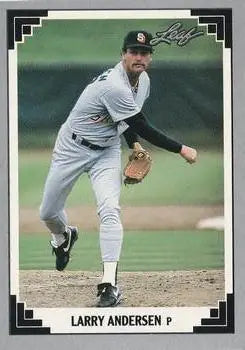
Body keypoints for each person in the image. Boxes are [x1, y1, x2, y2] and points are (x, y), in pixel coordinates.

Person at [40, 30, 197, 308]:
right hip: (71, 148)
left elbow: (125, 121)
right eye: (133, 52)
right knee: (48, 212)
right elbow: (141, 124)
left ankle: (109, 284)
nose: (139, 57)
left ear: (150, 57)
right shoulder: (113, 84)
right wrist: (181, 149)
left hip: (107, 152)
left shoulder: (143, 81)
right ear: (123, 55)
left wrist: (133, 145)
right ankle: (63, 236)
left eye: (144, 52)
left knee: (110, 209)